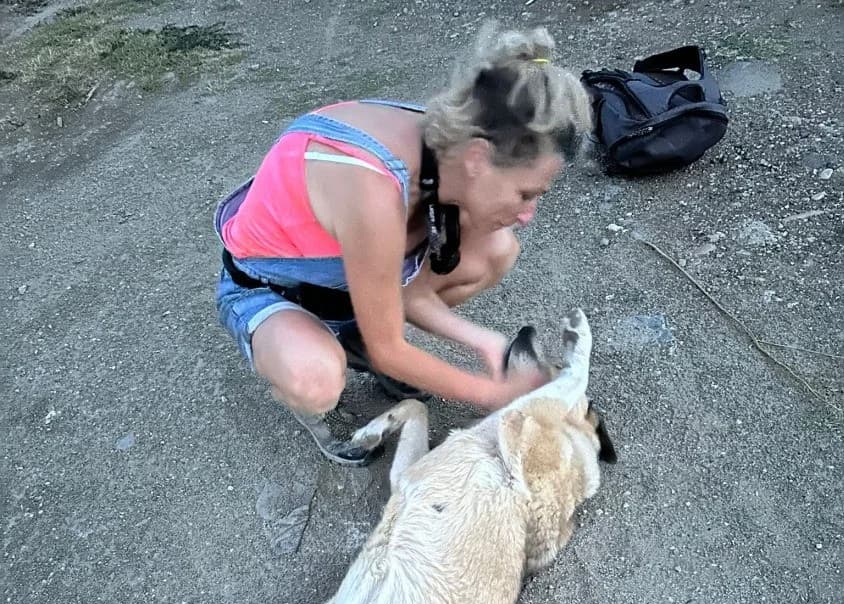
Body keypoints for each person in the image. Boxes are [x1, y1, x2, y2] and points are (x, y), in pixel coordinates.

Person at [215, 24, 593, 465]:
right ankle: (323, 389)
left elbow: (401, 279)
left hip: (352, 282)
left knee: (496, 248)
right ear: (477, 158)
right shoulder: (372, 187)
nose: (529, 214)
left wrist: (484, 342)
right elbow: (390, 346)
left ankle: (356, 336)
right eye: (526, 194)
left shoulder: (448, 145)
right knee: (315, 378)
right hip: (270, 291)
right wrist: (493, 394)